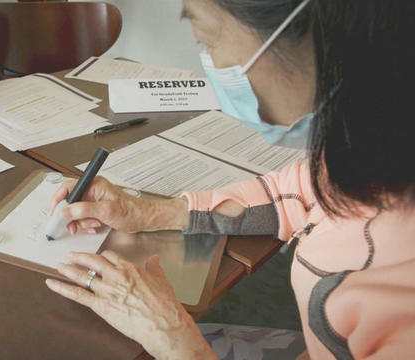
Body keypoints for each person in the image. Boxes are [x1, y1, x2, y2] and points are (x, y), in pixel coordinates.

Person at [45, 0, 415, 359]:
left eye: (207, 40)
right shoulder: (367, 145)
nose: (210, 65)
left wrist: (175, 341)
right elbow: (293, 191)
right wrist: (146, 212)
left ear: (304, 41)